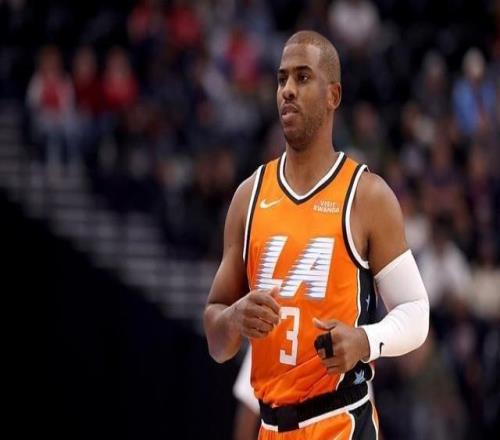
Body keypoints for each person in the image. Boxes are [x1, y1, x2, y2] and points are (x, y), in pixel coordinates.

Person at [204, 30, 429, 439]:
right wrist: (234, 318)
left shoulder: (366, 195)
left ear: (333, 95)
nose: (287, 90)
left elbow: (416, 311)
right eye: (281, 79)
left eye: (302, 77)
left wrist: (365, 340)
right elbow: (217, 342)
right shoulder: (248, 197)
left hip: (340, 421)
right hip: (270, 426)